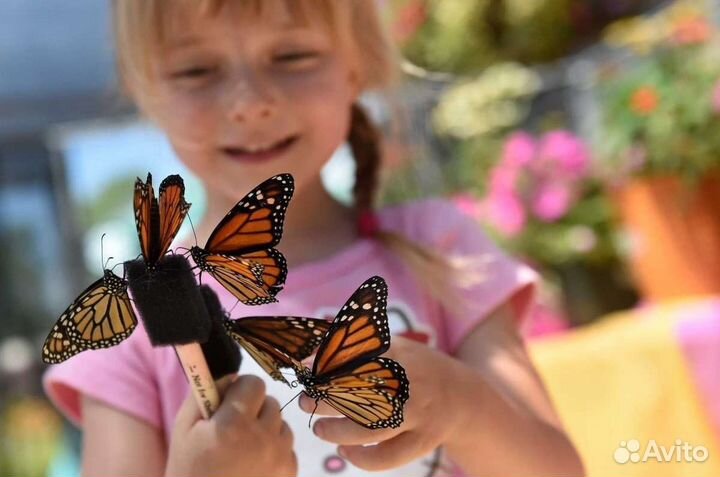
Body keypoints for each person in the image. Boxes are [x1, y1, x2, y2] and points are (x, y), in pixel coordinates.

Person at [44, 1, 584, 476]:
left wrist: (464, 404)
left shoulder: (440, 245)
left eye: (292, 57)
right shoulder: (133, 322)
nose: (250, 102)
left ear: (358, 67)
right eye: (196, 69)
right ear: (145, 92)